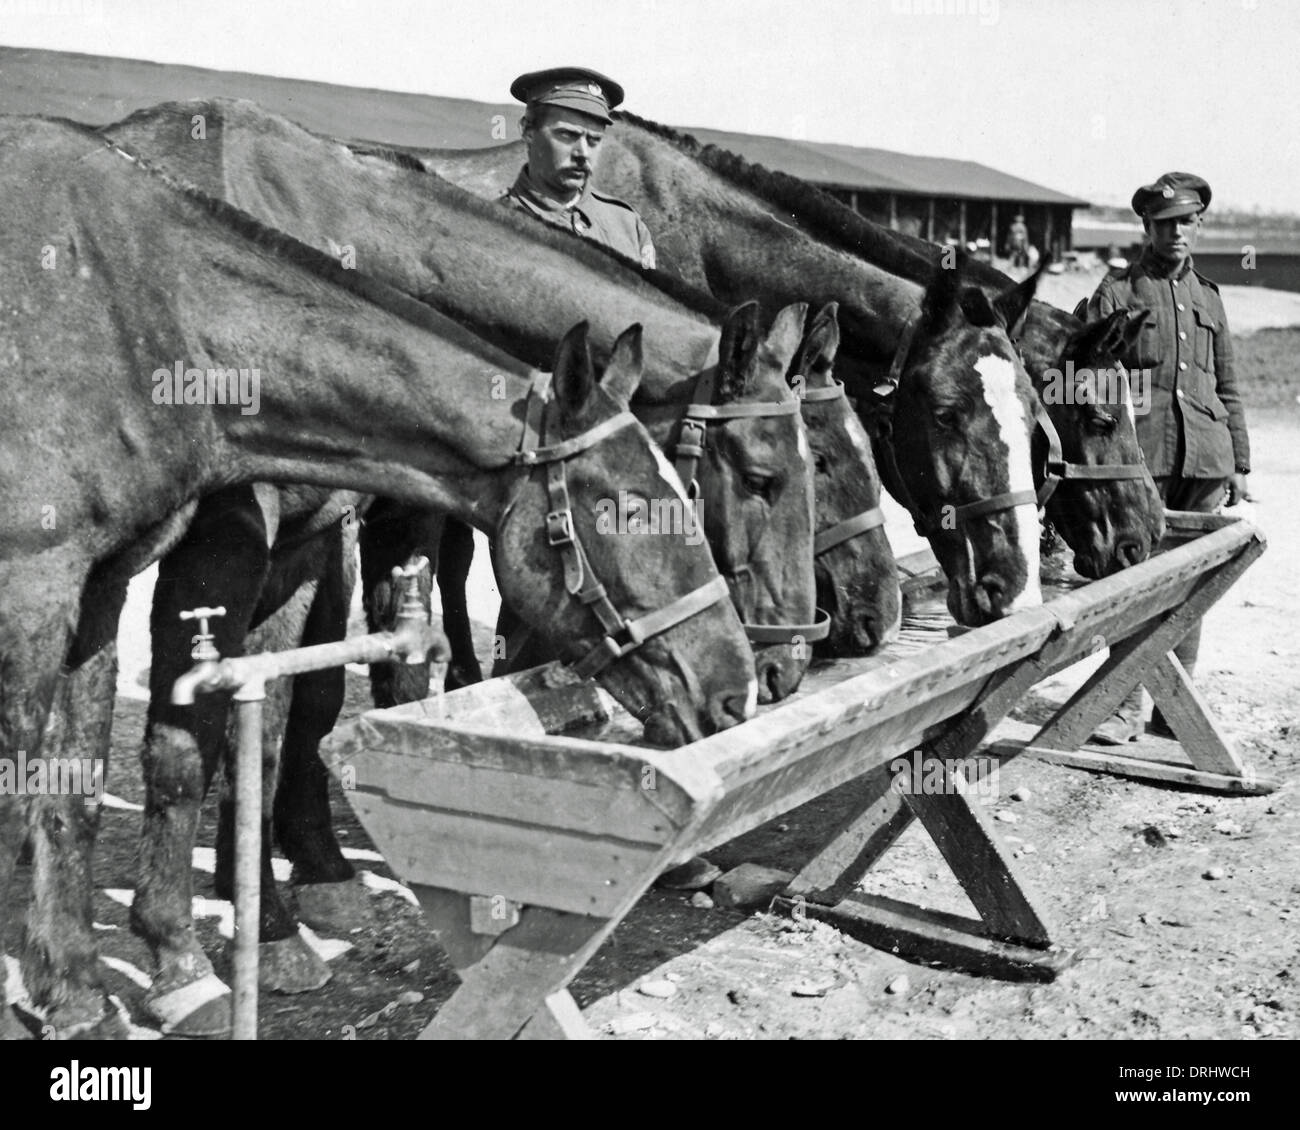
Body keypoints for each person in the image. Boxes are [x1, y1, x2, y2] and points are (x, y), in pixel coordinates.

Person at [1085, 172, 1251, 744]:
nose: (1176, 232)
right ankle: (1120, 706)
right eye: (1165, 223)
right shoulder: (1117, 292)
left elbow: (1227, 383)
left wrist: (1241, 465)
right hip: (1142, 458)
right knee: (1134, 581)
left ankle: (1172, 711)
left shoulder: (1210, 296)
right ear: (1147, 228)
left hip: (1206, 458)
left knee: (1194, 585)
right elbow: (1087, 380)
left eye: (1187, 221)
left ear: (1199, 226)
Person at [501, 65, 656, 270]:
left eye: (594, 139)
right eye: (567, 134)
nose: (583, 153)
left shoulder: (627, 224)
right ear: (528, 131)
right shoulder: (495, 222)